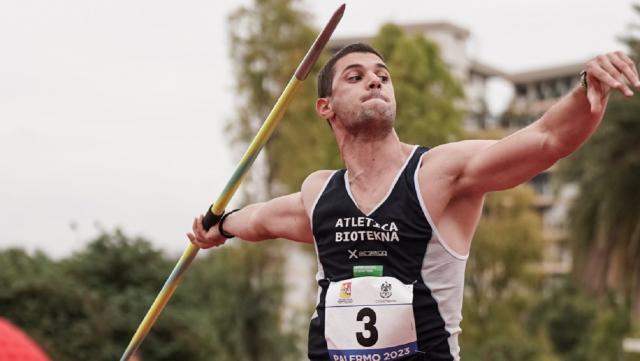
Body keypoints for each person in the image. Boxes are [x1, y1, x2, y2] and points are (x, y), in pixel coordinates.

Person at [188, 43, 639, 361]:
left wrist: (585, 88)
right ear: (325, 107)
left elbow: (545, 139)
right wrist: (220, 225)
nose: (375, 82)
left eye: (383, 76)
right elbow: (263, 219)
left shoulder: (440, 174)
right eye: (356, 76)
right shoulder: (319, 192)